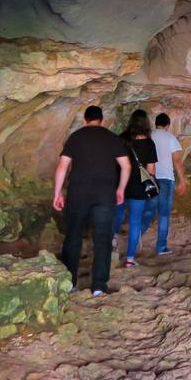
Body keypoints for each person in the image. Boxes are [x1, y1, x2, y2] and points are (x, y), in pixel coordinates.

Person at [53, 105, 129, 296]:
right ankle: (98, 287)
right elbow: (126, 166)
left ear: (84, 120)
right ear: (102, 120)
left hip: (78, 195)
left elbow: (62, 167)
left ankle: (70, 282)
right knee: (102, 240)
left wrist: (57, 193)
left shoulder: (76, 137)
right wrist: (120, 189)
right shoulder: (112, 138)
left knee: (73, 237)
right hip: (105, 196)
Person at [112, 109, 159, 267]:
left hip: (121, 185)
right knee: (135, 222)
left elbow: (114, 163)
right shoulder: (149, 143)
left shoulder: (121, 140)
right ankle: (130, 259)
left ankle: (113, 238)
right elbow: (151, 170)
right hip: (139, 189)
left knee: (117, 214)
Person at [150, 112, 188, 256]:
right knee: (164, 214)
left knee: (148, 211)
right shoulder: (170, 138)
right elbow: (177, 161)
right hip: (166, 179)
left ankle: (134, 244)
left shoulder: (149, 136)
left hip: (150, 178)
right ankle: (161, 248)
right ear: (167, 125)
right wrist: (182, 181)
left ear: (156, 123)